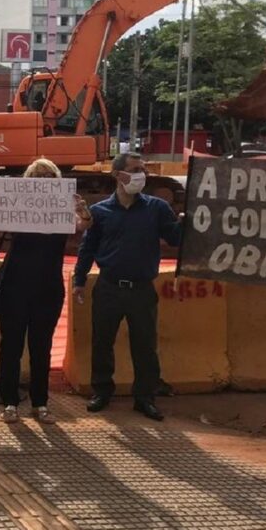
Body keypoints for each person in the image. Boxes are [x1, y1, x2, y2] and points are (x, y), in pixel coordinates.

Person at [0, 159, 92, 425]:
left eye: (49, 176)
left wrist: (82, 208)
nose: (43, 180)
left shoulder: (65, 208)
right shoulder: (18, 205)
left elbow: (83, 225)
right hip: (14, 286)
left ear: (57, 181)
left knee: (42, 347)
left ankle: (40, 403)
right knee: (11, 346)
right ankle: (9, 402)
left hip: (48, 288)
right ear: (27, 181)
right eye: (37, 175)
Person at [73, 152, 183, 421]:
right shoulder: (99, 212)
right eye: (135, 169)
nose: (141, 175)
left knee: (145, 346)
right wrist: (79, 280)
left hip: (142, 289)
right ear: (117, 175)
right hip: (109, 287)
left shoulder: (156, 208)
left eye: (143, 170)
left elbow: (174, 238)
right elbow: (88, 249)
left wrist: (186, 221)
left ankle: (145, 397)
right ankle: (102, 391)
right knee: (102, 342)